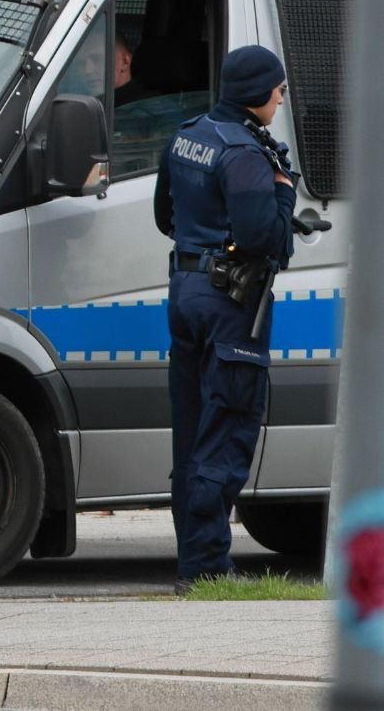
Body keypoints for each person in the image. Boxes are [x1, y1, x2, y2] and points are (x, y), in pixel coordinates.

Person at [153, 45, 297, 595]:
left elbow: (166, 214)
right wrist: (283, 195)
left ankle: (194, 561)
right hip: (232, 304)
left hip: (187, 292)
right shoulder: (244, 154)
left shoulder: (190, 134)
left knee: (190, 436)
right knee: (227, 430)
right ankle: (209, 566)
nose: (281, 100)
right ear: (258, 92)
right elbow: (267, 240)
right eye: (278, 91)